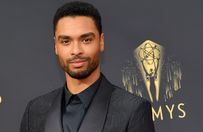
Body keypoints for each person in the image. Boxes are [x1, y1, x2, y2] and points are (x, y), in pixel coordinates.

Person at [20, 1, 155, 132]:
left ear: (101, 41)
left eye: (86, 40)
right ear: (56, 45)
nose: (76, 50)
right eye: (66, 41)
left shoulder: (132, 109)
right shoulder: (35, 111)